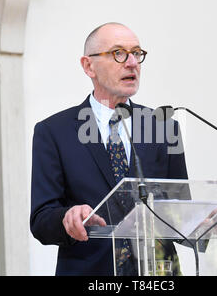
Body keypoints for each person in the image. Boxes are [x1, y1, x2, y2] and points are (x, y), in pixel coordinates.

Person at [30, 22, 188, 276]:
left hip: (158, 273)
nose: (132, 63)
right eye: (118, 53)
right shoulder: (53, 131)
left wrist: (205, 223)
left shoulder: (163, 127)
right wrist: (67, 217)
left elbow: (178, 210)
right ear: (88, 65)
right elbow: (41, 220)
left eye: (136, 53)